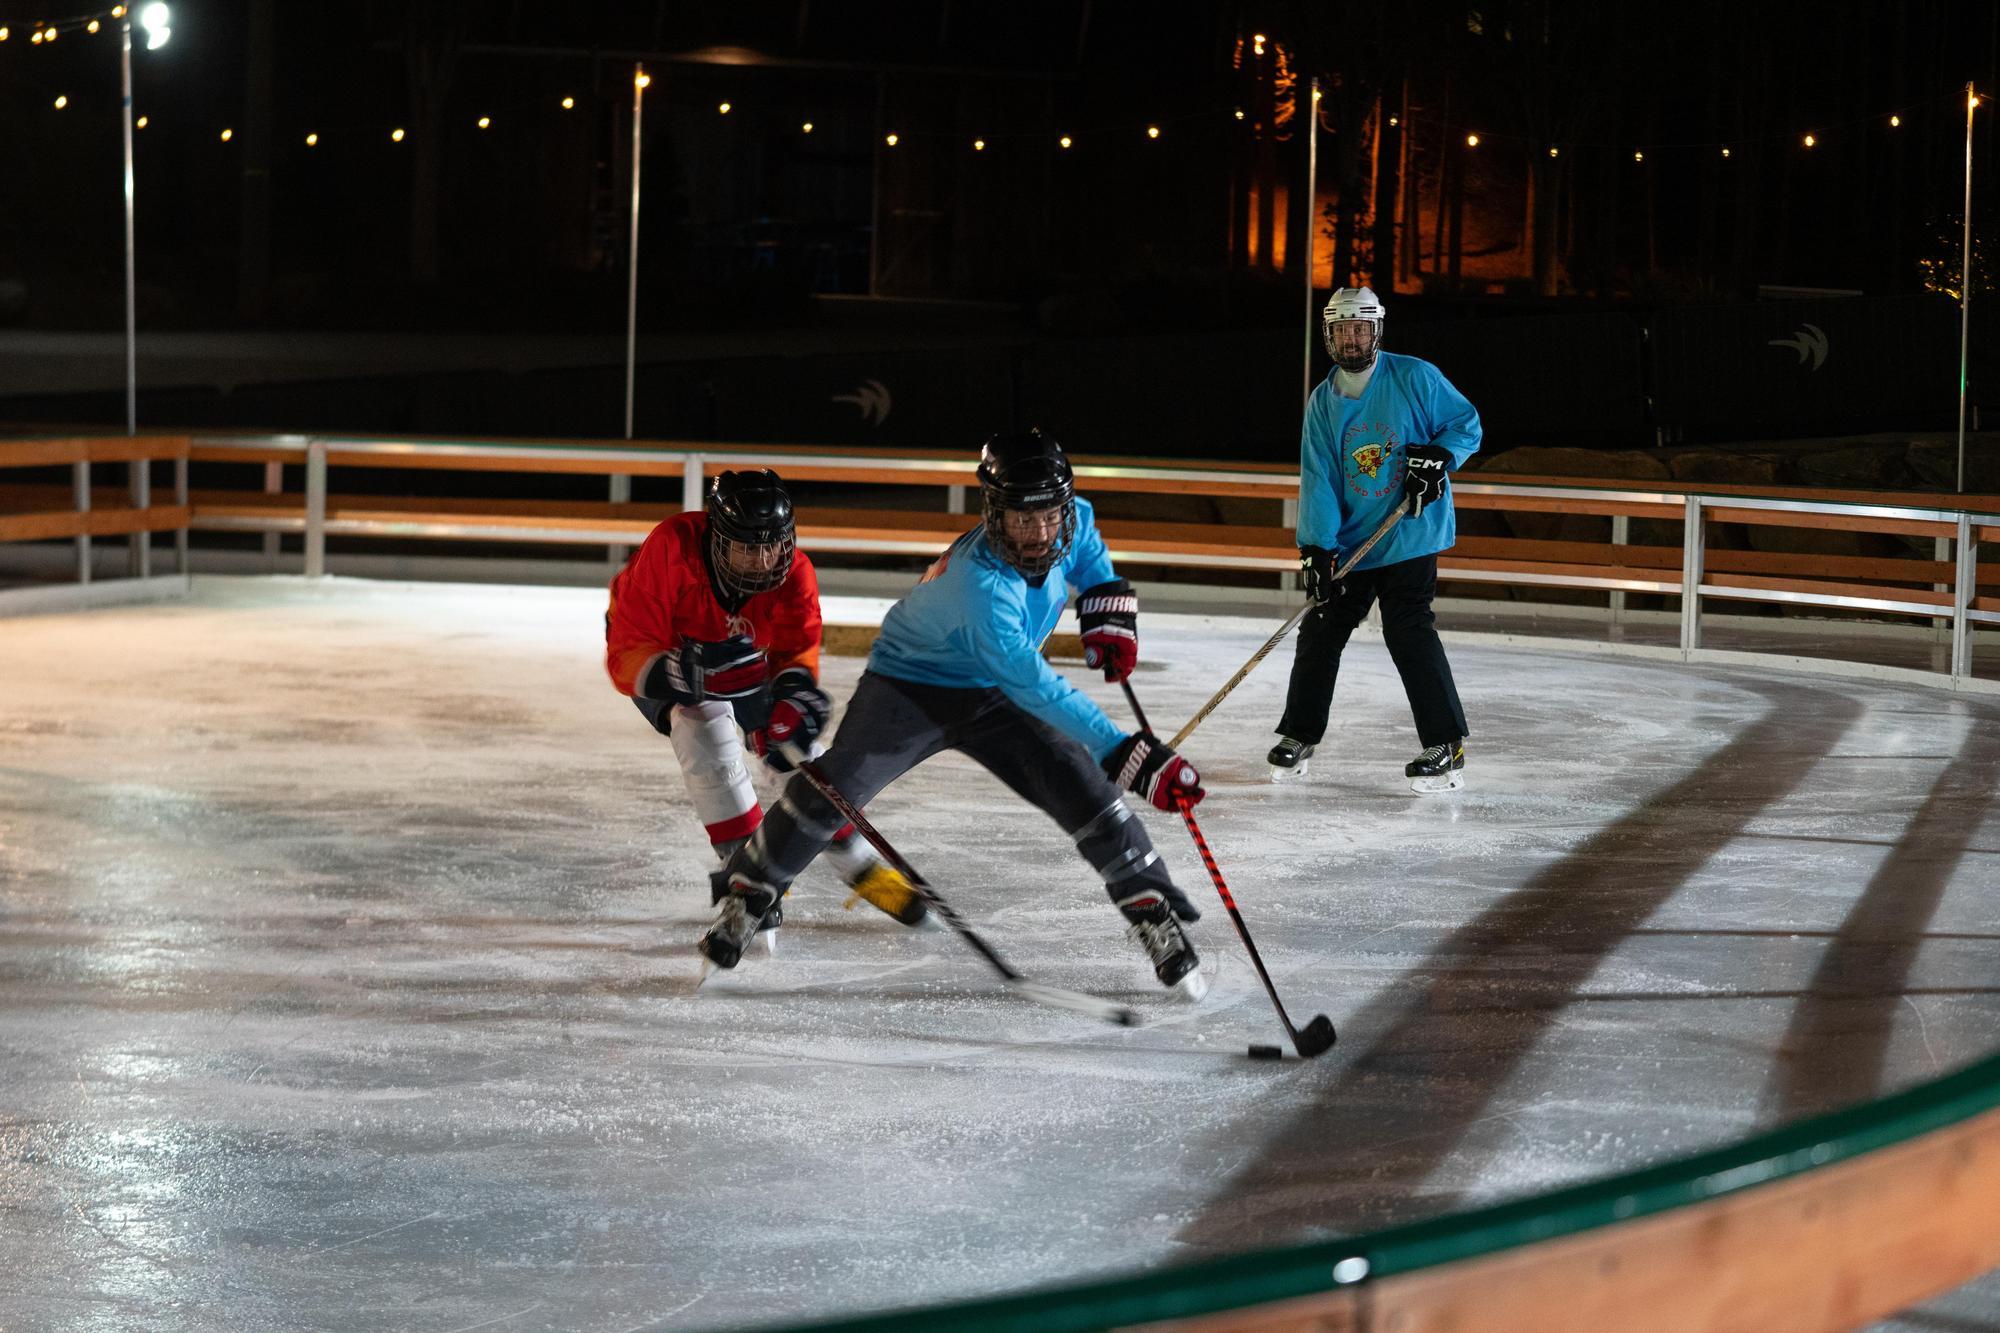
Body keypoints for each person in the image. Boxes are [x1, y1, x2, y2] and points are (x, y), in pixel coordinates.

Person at [698, 430, 1209, 999]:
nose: (1040, 534)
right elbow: (1035, 685)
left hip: (995, 687)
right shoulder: (981, 588)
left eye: (1049, 516)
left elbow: (1085, 545)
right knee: (836, 786)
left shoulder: (1071, 518)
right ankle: (748, 895)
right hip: (910, 686)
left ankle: (1150, 909)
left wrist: (1104, 598)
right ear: (993, 513)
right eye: (1021, 519)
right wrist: (1124, 752)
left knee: (1082, 789)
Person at [605, 468, 926, 945]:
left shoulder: (795, 572)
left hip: (749, 664)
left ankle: (858, 864)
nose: (762, 561)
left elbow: (797, 651)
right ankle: (746, 869)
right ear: (716, 539)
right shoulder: (671, 546)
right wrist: (685, 673)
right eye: (747, 547)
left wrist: (791, 699)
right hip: (665, 654)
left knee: (793, 748)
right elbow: (628, 649)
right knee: (701, 725)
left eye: (772, 545)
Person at [1269, 286, 1481, 793]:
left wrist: (1439, 459)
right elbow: (1318, 477)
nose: (1352, 338)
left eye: (1361, 328)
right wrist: (1316, 548)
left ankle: (1445, 743)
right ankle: (1299, 735)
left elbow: (1465, 425)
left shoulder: (1414, 377)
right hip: (1354, 543)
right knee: (1321, 631)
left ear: (1376, 330)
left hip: (1409, 532)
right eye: (1343, 330)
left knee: (1407, 629)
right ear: (1329, 335)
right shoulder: (1323, 402)